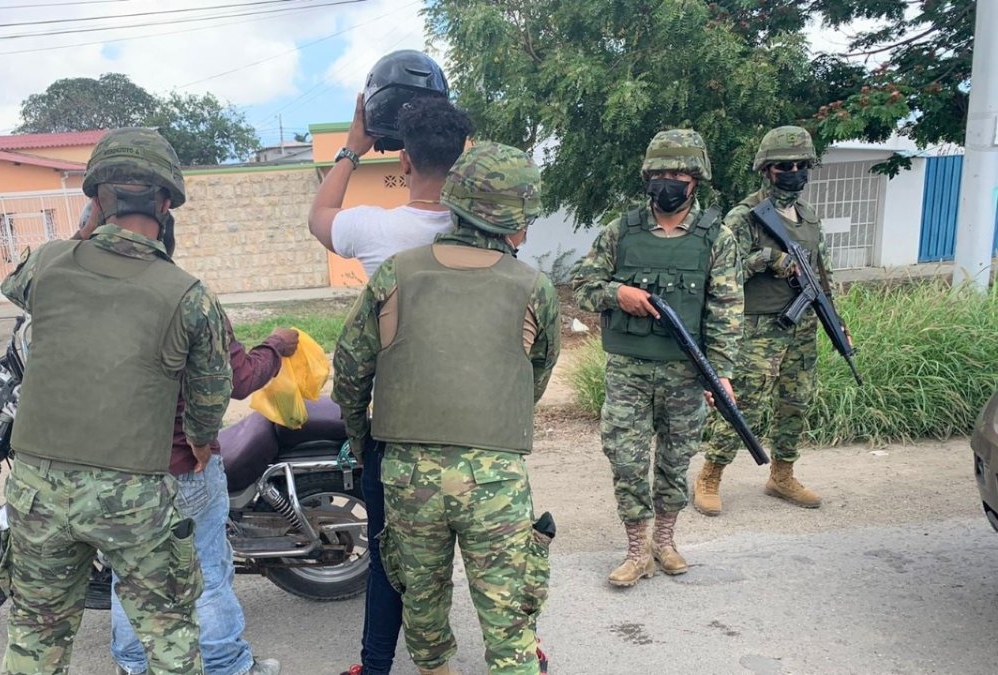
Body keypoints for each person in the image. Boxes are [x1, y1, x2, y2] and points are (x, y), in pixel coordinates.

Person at [0, 127, 230, 675]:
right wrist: (198, 440)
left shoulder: (49, 264)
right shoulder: (189, 295)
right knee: (169, 634)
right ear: (167, 203)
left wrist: (87, 223)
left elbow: (14, 287)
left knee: (34, 635)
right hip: (135, 495)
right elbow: (210, 393)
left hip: (38, 491)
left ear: (97, 198)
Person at [332, 141, 560, 675]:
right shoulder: (534, 286)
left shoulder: (395, 273)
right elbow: (536, 375)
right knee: (509, 623)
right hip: (494, 477)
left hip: (408, 473)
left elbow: (349, 369)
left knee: (423, 607)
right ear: (518, 223)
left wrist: (363, 440)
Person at [307, 55, 473, 675]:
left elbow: (317, 217)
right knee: (488, 548)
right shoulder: (490, 233)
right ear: (461, 151)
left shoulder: (375, 230)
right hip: (477, 421)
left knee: (388, 555)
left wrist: (352, 149)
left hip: (396, 422)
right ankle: (518, 645)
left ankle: (375, 666)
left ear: (402, 160)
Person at [91, 205, 293, 675]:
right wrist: (275, 346)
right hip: (187, 465)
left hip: (114, 470)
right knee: (206, 570)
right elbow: (239, 380)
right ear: (166, 238)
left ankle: (134, 664)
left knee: (129, 572)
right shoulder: (188, 297)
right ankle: (225, 666)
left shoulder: (86, 303)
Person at [573, 129, 742, 588]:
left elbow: (726, 310)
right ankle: (636, 550)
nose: (668, 183)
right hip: (628, 370)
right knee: (626, 460)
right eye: (660, 174)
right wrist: (617, 292)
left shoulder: (716, 238)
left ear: (696, 180)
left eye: (678, 175)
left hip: (686, 373)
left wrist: (720, 374)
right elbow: (583, 285)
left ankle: (665, 542)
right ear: (648, 177)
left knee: (674, 459)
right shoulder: (620, 231)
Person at [694, 125, 833, 515]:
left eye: (800, 164)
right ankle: (710, 475)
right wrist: (769, 260)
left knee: (796, 401)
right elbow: (720, 272)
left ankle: (782, 474)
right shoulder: (745, 217)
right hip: (757, 328)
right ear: (766, 169)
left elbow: (823, 273)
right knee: (746, 405)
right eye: (783, 165)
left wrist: (836, 319)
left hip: (802, 325)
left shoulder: (808, 216)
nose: (793, 171)